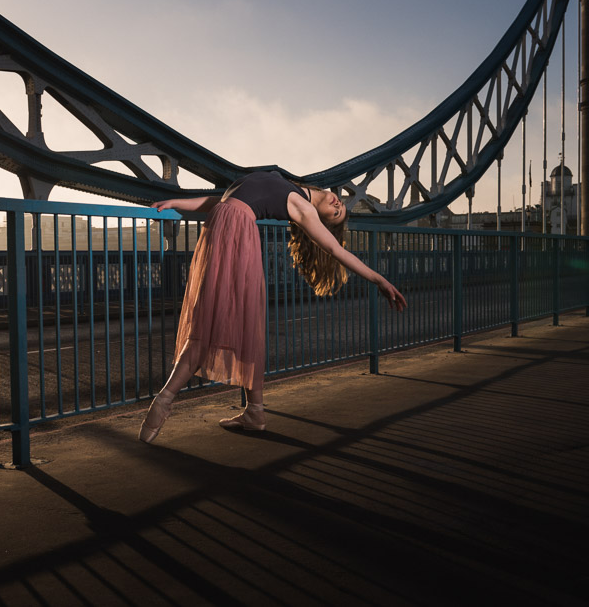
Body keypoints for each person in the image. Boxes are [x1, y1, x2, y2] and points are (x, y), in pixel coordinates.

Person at [139, 170, 407, 442]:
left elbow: (336, 251)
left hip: (234, 237)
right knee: (235, 324)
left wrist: (379, 280)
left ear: (323, 221)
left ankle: (165, 400)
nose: (339, 206)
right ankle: (254, 412)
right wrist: (176, 203)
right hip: (223, 230)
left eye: (336, 215)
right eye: (341, 207)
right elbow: (223, 200)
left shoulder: (302, 207)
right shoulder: (291, 186)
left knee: (208, 322)